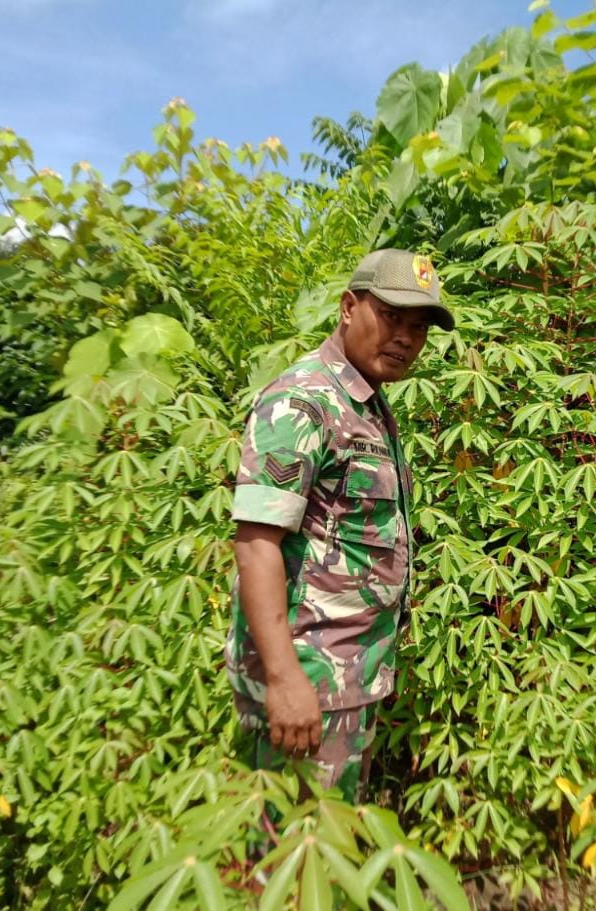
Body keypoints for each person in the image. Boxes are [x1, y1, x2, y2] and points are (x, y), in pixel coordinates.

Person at [225, 248, 455, 805]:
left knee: (331, 845)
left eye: (419, 327)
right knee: (293, 864)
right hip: (308, 682)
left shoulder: (365, 402)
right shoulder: (304, 401)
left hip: (347, 676)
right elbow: (257, 546)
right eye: (391, 317)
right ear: (349, 307)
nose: (406, 338)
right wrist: (283, 682)